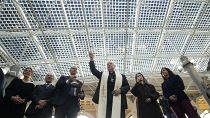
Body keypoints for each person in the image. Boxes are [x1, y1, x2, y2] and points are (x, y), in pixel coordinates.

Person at [89, 51, 130, 118]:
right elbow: (94, 70)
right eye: (107, 64)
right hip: (106, 101)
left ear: (114, 66)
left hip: (118, 100)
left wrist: (120, 90)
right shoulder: (103, 75)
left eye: (111, 63)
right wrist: (91, 60)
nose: (109, 65)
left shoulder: (122, 76)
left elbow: (127, 86)